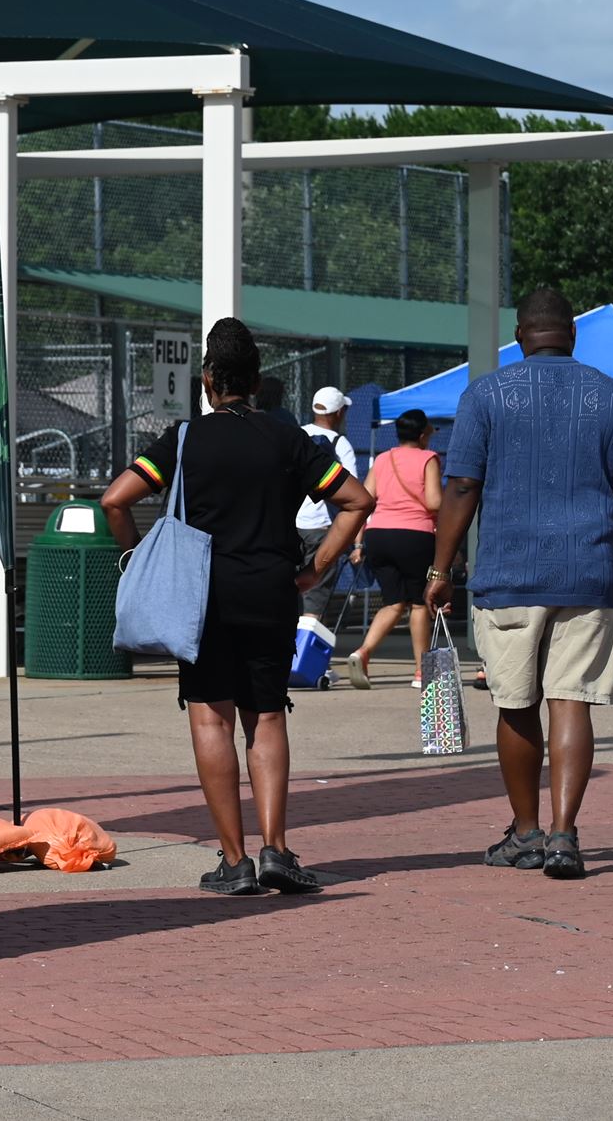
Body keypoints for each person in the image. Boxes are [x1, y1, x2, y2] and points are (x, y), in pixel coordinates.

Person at [101, 318, 373, 898]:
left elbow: (115, 500)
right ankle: (276, 850)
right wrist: (314, 569)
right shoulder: (289, 440)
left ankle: (234, 861)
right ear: (255, 381)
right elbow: (357, 500)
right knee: (267, 717)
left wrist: (136, 559)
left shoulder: (182, 440)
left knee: (210, 718)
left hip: (201, 599)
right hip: (273, 591)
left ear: (206, 380)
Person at [427, 287, 613, 882]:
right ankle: (565, 836)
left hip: (509, 575)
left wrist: (440, 569)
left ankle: (526, 832)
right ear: (572, 336)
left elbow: (461, 487)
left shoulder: (484, 394)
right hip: (587, 573)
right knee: (573, 700)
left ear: (520, 336)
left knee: (516, 703)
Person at [343, 408, 440, 689]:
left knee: (393, 602)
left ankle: (363, 652)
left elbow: (364, 500)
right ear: (423, 435)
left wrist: (359, 542)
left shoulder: (383, 459)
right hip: (415, 537)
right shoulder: (428, 458)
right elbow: (434, 502)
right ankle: (422, 672)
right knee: (419, 603)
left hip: (379, 536)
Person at [296, 386, 363, 628]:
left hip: (291, 526)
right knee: (315, 598)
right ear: (337, 413)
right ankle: (310, 665)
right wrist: (357, 541)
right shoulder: (340, 443)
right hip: (322, 530)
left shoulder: (296, 435)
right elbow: (354, 497)